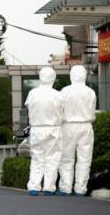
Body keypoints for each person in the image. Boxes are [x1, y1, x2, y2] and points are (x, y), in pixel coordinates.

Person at [57, 65, 96, 196]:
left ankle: (65, 187)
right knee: (85, 159)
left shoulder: (65, 91)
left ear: (71, 76)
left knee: (66, 158)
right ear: (84, 76)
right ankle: (81, 189)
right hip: (86, 126)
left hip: (68, 126)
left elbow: (59, 110)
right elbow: (92, 110)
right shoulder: (90, 92)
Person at [25, 67, 63, 196]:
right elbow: (63, 112)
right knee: (52, 159)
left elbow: (29, 108)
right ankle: (48, 187)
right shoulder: (58, 95)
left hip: (36, 128)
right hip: (53, 129)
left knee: (37, 158)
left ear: (40, 77)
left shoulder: (32, 93)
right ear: (53, 78)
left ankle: (34, 186)